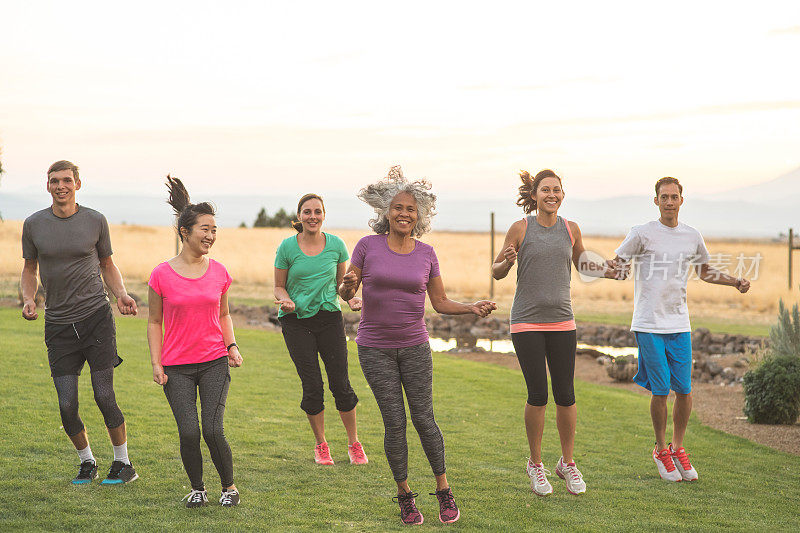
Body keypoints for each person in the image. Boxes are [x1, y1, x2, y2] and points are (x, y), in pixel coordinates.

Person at [339, 166, 496, 525]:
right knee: (394, 423)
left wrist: (471, 308)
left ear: (419, 215)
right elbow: (348, 290)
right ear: (386, 212)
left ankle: (443, 489)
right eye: (398, 208)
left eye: (411, 209)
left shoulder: (426, 253)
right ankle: (405, 495)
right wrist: (348, 286)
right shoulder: (367, 246)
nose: (404, 214)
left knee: (424, 418)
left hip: (414, 347)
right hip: (374, 348)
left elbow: (439, 302)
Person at [492, 169, 623, 497]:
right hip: (526, 322)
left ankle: (566, 463)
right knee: (538, 394)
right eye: (546, 190)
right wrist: (507, 262)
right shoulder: (521, 228)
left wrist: (611, 271)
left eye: (557, 190)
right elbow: (495, 271)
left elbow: (583, 266)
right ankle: (535, 464)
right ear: (534, 195)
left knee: (566, 394)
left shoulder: (571, 228)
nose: (552, 195)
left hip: (563, 322)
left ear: (562, 195)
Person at [613, 176, 749, 482]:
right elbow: (617, 263)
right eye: (664, 197)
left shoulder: (691, 235)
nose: (670, 201)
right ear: (656, 201)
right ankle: (660, 449)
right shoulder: (642, 233)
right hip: (648, 323)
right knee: (661, 390)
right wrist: (589, 264)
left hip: (679, 323)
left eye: (674, 197)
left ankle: (678, 447)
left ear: (681, 201)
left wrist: (734, 281)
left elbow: (706, 271)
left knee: (685, 391)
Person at [20, 160, 139, 485]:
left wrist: (121, 295)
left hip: (95, 320)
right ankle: (87, 462)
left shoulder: (95, 220)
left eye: (67, 180)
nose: (61, 186)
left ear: (77, 184)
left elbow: (107, 264)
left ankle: (123, 463)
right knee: (67, 403)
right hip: (58, 325)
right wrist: (30, 299)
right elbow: (29, 270)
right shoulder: (33, 224)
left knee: (104, 395)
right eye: (54, 181)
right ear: (47, 185)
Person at [147, 176, 243, 507]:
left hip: (214, 361)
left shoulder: (219, 272)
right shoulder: (161, 274)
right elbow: (154, 321)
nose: (210, 236)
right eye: (205, 229)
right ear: (184, 232)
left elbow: (224, 315)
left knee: (213, 430)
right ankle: (198, 488)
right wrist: (157, 363)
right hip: (177, 367)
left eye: (214, 230)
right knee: (189, 432)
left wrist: (231, 346)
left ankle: (229, 487)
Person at [274, 193, 368, 466]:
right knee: (313, 385)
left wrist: (351, 298)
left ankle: (354, 443)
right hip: (296, 321)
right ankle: (321, 445)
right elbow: (278, 286)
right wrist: (285, 299)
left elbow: (342, 285)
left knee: (341, 383)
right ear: (299, 216)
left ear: (323, 215)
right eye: (307, 212)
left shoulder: (337, 245)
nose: (312, 216)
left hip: (329, 318)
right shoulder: (287, 247)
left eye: (317, 211)